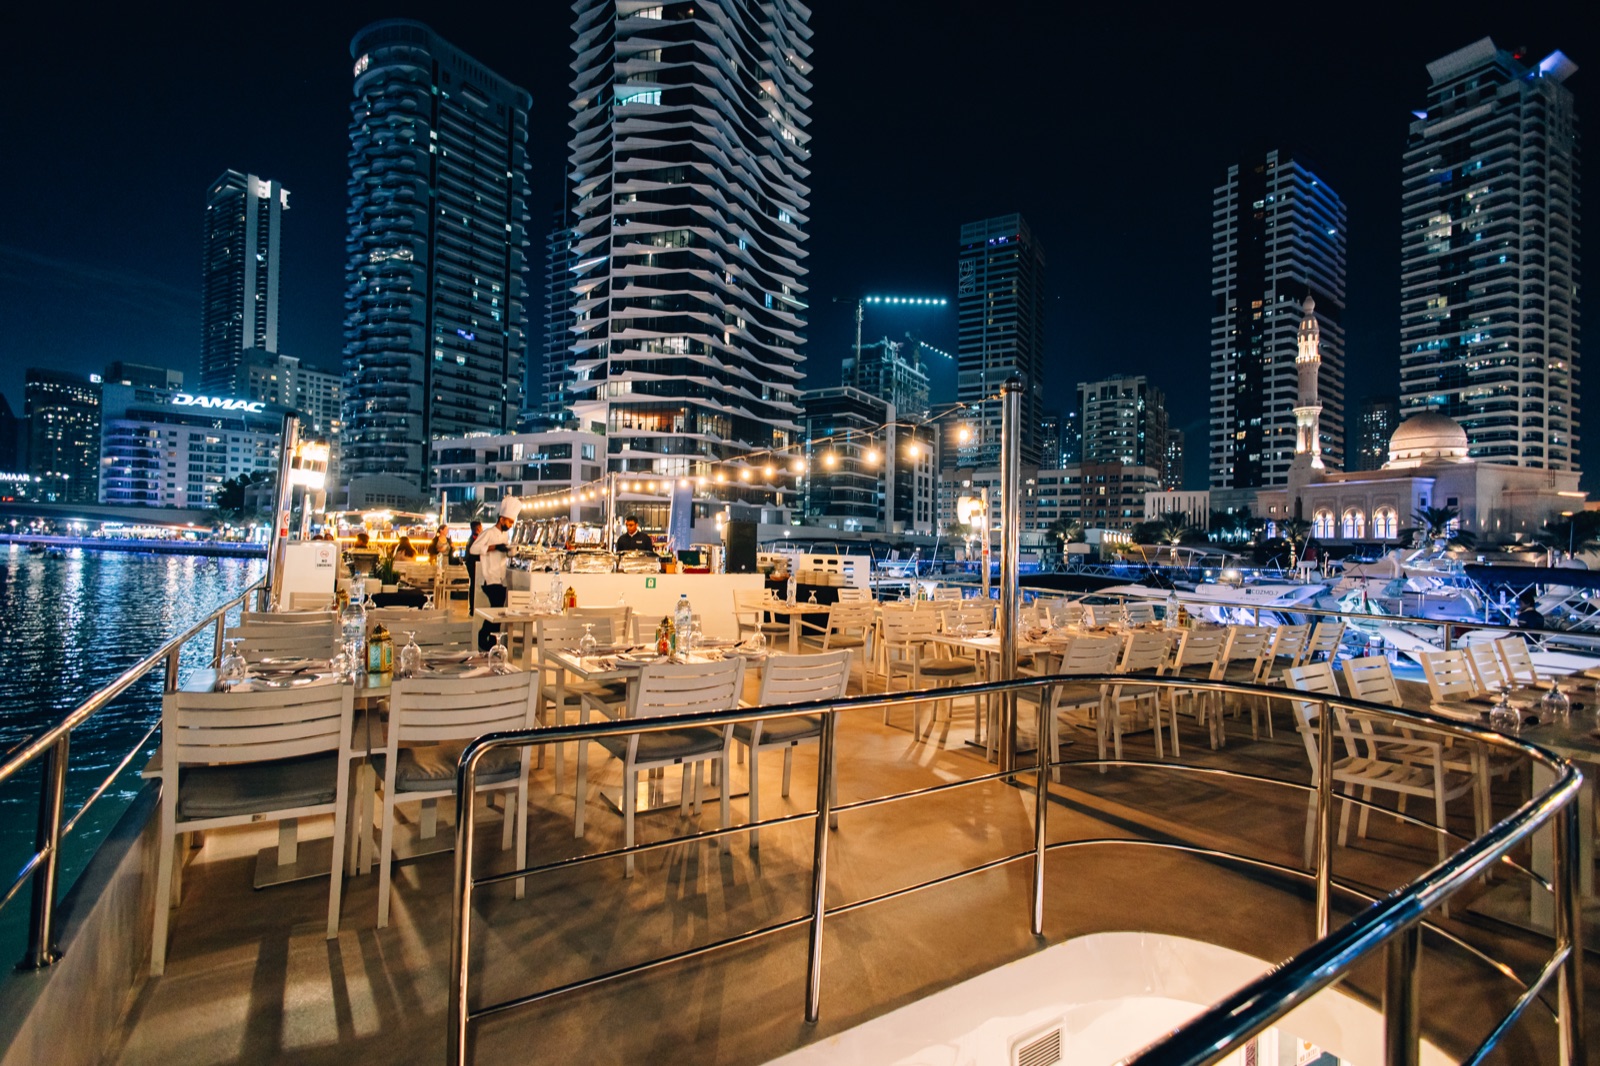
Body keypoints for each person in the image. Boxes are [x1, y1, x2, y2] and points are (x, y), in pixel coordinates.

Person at [472, 500, 519, 651]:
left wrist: (510, 550)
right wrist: (494, 547)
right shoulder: (488, 533)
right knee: (496, 610)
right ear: (501, 519)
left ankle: (492, 639)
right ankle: (485, 636)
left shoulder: (505, 536)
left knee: (499, 610)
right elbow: (474, 549)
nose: (510, 525)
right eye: (509, 522)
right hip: (489, 577)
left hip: (501, 577)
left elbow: (508, 553)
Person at [463, 520, 483, 613]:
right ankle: (473, 608)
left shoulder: (471, 538)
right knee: (474, 585)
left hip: (471, 564)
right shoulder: (475, 539)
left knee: (473, 585)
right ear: (478, 528)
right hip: (474, 564)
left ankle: (472, 607)